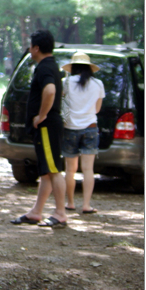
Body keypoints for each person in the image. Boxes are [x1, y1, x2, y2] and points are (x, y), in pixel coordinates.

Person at [10, 29, 67, 228]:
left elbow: (50, 91)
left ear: (36, 48)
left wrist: (42, 115)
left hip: (47, 125)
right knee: (46, 172)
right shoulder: (50, 66)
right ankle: (36, 212)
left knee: (53, 170)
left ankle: (60, 213)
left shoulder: (44, 68)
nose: (29, 50)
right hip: (48, 126)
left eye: (30, 46)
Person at [61, 52, 105, 214]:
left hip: (70, 128)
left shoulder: (65, 83)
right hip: (90, 128)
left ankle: (70, 202)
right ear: (89, 68)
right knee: (88, 169)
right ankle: (86, 205)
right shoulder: (98, 84)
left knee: (70, 169)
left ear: (73, 67)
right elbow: (97, 109)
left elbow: (62, 105)